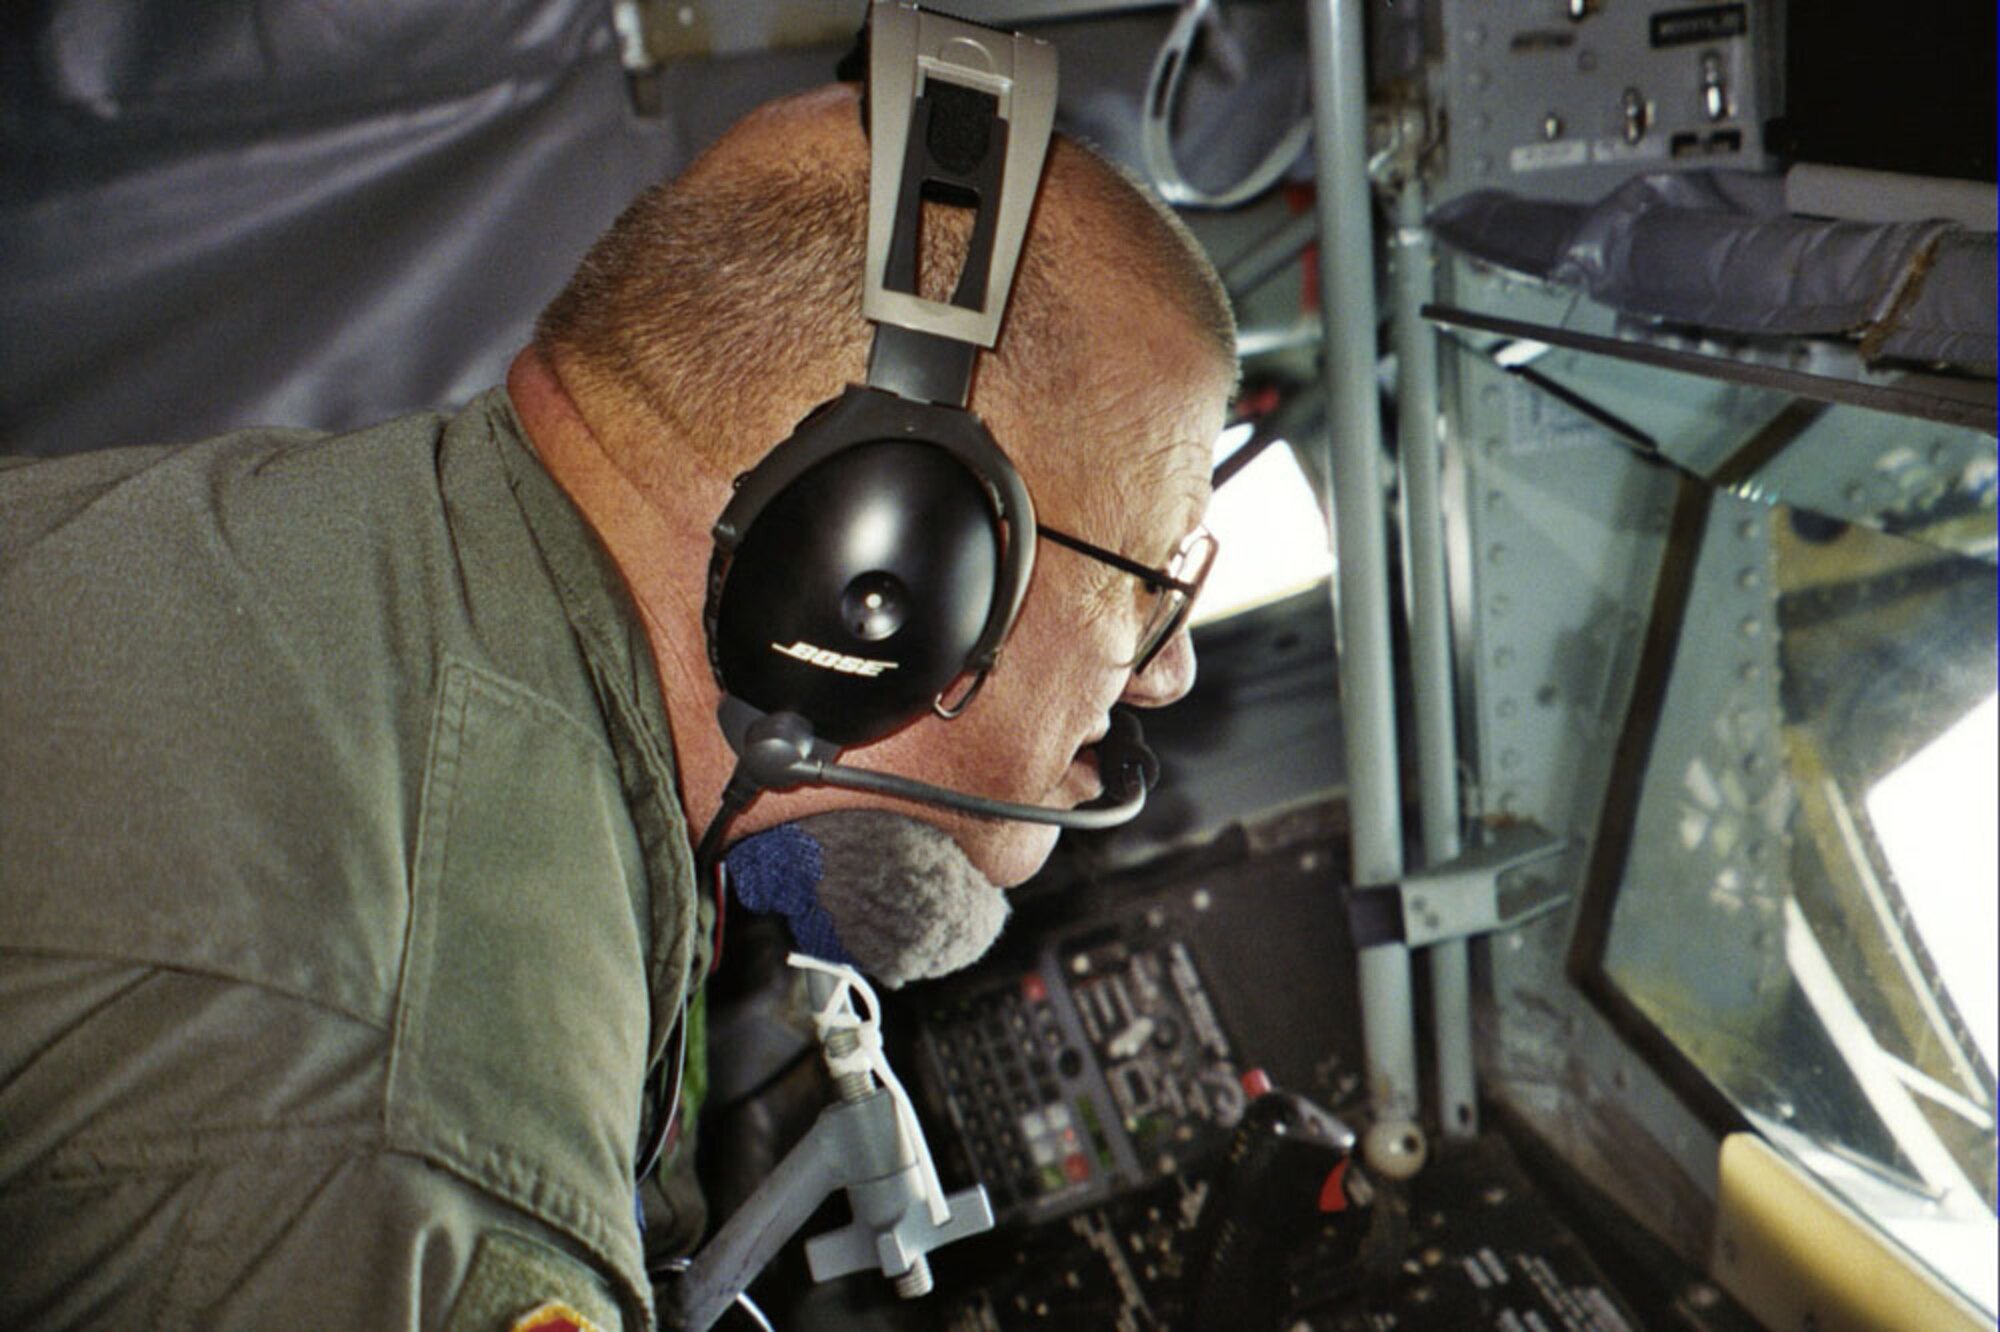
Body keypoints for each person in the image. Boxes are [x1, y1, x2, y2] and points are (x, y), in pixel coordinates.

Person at [0, 80, 1236, 1330]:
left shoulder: (368, 551)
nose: (1165, 673)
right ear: (890, 570)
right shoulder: (424, 1139)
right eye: (1146, 585)